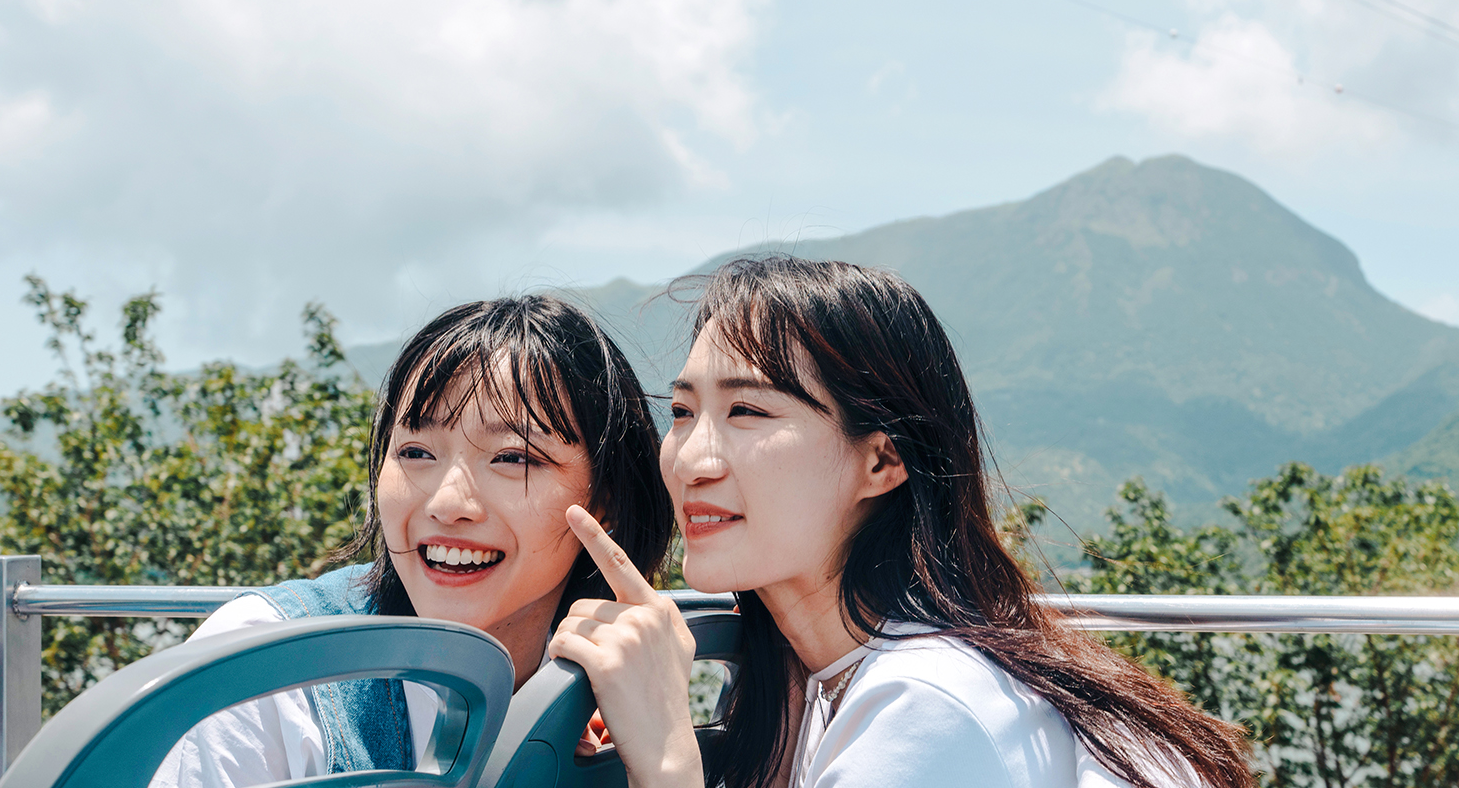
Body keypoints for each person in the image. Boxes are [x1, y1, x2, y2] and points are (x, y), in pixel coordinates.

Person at [549, 256, 1255, 788]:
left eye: (748, 412)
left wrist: (669, 757)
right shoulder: (824, 682)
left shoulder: (924, 702)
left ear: (883, 462)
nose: (693, 459)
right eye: (681, 411)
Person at [150, 295, 672, 787]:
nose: (447, 503)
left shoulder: (614, 683)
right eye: (417, 452)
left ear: (605, 501)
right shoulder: (270, 670)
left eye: (511, 458)